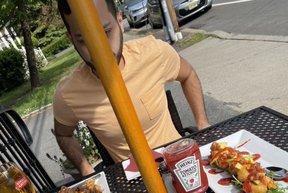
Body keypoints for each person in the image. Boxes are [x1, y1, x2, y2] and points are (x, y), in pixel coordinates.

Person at [54, 0, 209, 176]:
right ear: (71, 38)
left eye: (106, 32)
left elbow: (188, 75)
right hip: (135, 181)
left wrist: (203, 123)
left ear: (120, 20)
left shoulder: (152, 52)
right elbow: (63, 134)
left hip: (183, 161)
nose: (100, 51)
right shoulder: (68, 93)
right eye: (83, 40)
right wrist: (86, 169)